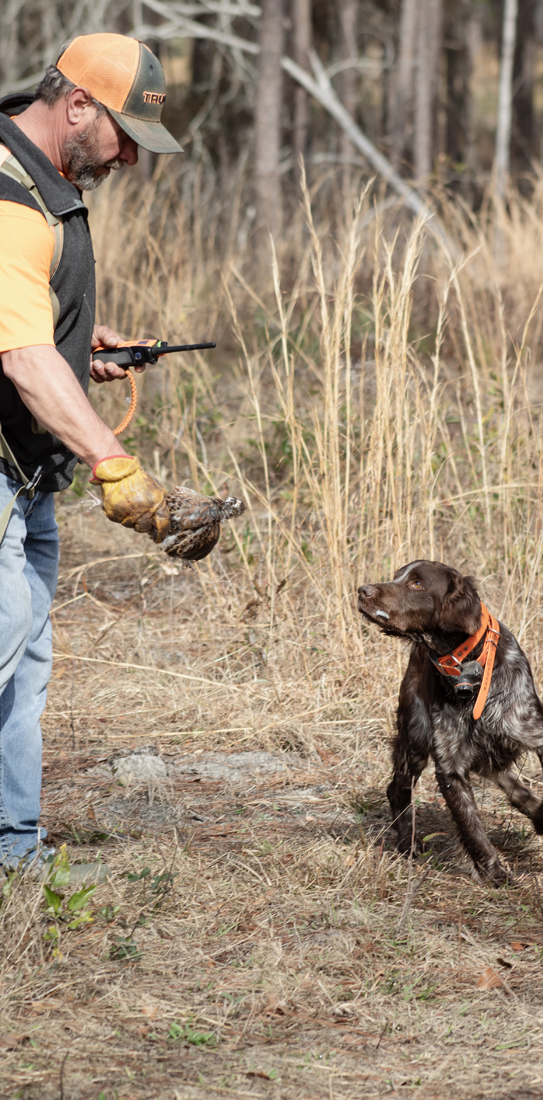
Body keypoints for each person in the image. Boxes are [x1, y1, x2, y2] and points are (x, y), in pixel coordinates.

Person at [0, 33, 182, 873]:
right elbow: (23, 360)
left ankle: (17, 860)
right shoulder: (8, 197)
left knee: (20, 682)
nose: (130, 163)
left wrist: (82, 345)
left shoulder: (47, 183)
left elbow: (34, 333)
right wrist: (116, 463)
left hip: (27, 485)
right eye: (124, 140)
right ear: (78, 106)